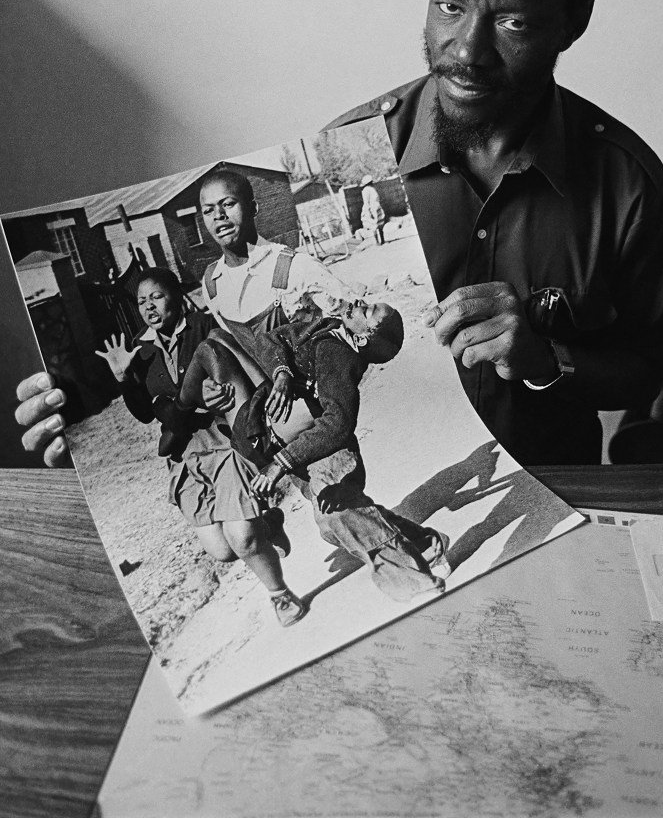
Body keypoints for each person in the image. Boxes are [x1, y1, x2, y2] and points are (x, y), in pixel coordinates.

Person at [14, 0, 663, 467]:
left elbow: (647, 367)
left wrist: (547, 358)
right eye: (448, 6)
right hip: (388, 497)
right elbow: (271, 352)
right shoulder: (354, 148)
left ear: (575, 20)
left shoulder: (628, 183)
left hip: (562, 496)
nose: (465, 51)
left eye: (512, 23)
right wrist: (80, 409)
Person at [157, 298, 452, 600]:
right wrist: (282, 372)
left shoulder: (340, 354)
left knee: (334, 513)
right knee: (335, 520)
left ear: (362, 337)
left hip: (320, 451)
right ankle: (424, 544)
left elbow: (338, 423)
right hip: (275, 431)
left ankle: (414, 581)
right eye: (369, 303)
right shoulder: (325, 327)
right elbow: (269, 338)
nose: (361, 302)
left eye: (368, 312)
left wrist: (281, 463)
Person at [96, 267, 307, 627]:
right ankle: (269, 524)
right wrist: (123, 379)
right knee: (222, 551)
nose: (148, 307)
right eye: (141, 301)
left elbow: (237, 373)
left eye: (156, 297)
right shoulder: (139, 347)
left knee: (242, 538)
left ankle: (280, 595)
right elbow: (145, 415)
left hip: (221, 439)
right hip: (183, 452)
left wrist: (214, 395)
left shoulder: (204, 328)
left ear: (175, 296)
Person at [359, 175, 386, 245]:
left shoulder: (372, 189)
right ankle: (377, 242)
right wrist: (368, 211)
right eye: (371, 182)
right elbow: (366, 202)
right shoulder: (365, 190)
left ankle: (382, 240)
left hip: (377, 207)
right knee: (374, 226)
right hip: (372, 209)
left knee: (380, 225)